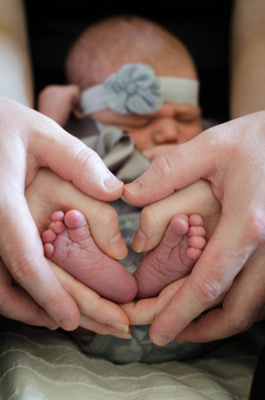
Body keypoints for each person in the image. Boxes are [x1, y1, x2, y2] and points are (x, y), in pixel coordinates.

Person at [38, 15, 211, 300]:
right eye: (138, 123)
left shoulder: (208, 140)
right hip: (101, 243)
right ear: (85, 114)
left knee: (200, 224)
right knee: (56, 221)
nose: (169, 132)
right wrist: (49, 119)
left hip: (178, 257)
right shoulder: (84, 140)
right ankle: (85, 263)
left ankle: (167, 264)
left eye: (186, 117)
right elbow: (36, 158)